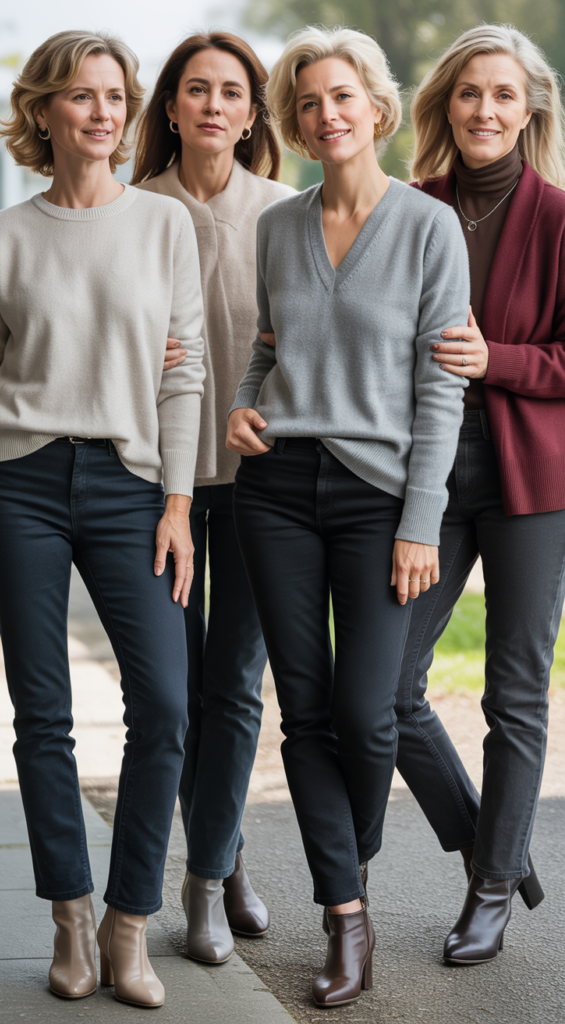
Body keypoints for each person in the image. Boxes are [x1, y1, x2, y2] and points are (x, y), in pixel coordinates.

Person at [226, 26, 470, 1008]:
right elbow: (266, 352)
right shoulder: (276, 227)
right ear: (297, 122)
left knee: (370, 716)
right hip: (276, 487)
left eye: (342, 96)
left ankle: (348, 852)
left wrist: (421, 520)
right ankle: (344, 909)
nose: (327, 114)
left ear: (374, 104)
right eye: (309, 102)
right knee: (308, 709)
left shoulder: (426, 227)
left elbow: (439, 391)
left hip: (379, 498)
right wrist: (242, 407)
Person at [0, 31, 205, 1006]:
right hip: (19, 481)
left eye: (115, 96)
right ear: (43, 112)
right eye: (81, 96)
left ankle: (130, 925)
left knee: (164, 701)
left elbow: (187, 369)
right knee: (42, 716)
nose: (104, 112)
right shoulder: (3, 237)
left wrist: (177, 503)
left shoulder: (162, 228)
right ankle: (69, 918)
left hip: (130, 486)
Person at [394, 23, 565, 964]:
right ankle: (492, 845)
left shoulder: (562, 215)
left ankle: (491, 889)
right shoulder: (411, 207)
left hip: (531, 482)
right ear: (444, 107)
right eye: (468, 93)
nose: (485, 110)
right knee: (382, 687)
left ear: (528, 107)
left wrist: (496, 360)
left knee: (516, 696)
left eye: (503, 94)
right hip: (427, 478)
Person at [132, 32, 294, 965]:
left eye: (232, 91)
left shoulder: (284, 209)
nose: (213, 105)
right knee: (176, 694)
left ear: (250, 112)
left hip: (256, 486)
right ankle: (220, 855)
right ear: (171, 105)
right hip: (152, 485)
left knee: (233, 688)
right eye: (197, 89)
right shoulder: (132, 208)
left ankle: (210, 876)